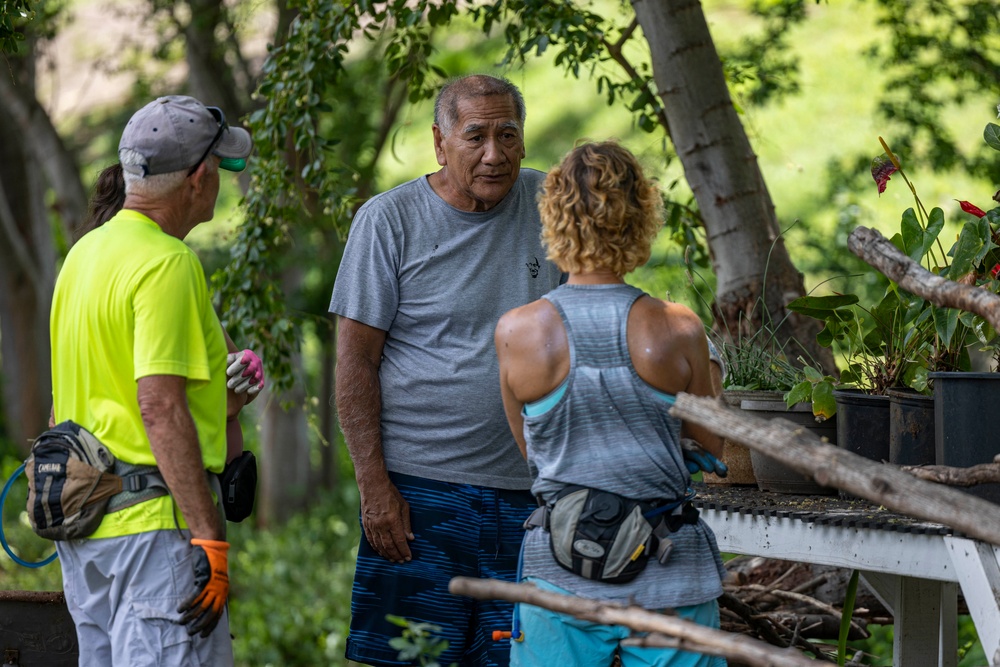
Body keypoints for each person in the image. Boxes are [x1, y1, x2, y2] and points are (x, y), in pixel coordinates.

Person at [329, 74, 564, 667]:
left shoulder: (552, 211)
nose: (494, 153)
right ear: (440, 142)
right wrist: (374, 488)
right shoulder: (388, 221)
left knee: (518, 660)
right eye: (475, 136)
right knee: (413, 657)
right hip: (417, 496)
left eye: (507, 134)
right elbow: (355, 363)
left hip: (530, 497)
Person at [494, 141, 728, 667]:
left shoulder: (517, 331)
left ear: (553, 216)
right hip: (671, 568)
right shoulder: (677, 327)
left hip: (561, 568)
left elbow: (532, 451)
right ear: (640, 215)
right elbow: (715, 449)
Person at [49, 94, 253, 665]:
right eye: (219, 168)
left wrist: (224, 400)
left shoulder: (83, 256)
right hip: (152, 537)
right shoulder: (168, 262)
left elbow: (69, 404)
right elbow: (158, 408)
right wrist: (209, 537)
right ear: (198, 177)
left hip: (88, 534)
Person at [74, 162, 265, 463]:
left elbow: (231, 379)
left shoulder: (84, 273)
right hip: (164, 485)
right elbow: (225, 402)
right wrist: (240, 392)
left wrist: (246, 375)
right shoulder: (163, 270)